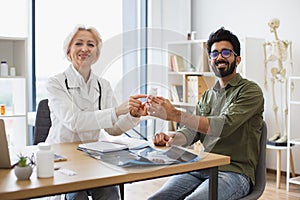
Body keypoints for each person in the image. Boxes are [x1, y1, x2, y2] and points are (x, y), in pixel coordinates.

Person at [147, 27, 264, 200]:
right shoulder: (208, 95)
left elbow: (221, 127)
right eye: (214, 54)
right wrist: (171, 138)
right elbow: (191, 132)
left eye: (226, 52)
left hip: (235, 172)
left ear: (237, 59)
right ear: (210, 60)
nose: (219, 57)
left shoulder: (250, 91)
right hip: (201, 167)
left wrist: (175, 114)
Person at [45, 25, 147, 200]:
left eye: (91, 44)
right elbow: (74, 122)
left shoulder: (103, 85)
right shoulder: (56, 83)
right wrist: (116, 110)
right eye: (79, 43)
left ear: (97, 53)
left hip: (92, 157)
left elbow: (113, 128)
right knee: (77, 196)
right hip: (63, 158)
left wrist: (133, 115)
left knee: (110, 193)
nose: (85, 49)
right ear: (68, 50)